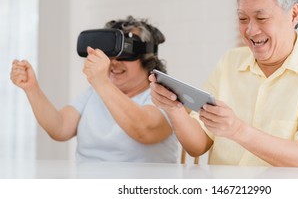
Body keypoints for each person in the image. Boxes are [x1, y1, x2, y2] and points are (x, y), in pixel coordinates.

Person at [149, 0, 298, 168]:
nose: (251, 30)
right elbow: (198, 146)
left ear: (294, 14)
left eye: (262, 18)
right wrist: (173, 108)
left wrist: (237, 130)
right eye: (243, 19)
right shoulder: (230, 62)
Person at [10, 16, 178, 163]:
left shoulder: (162, 96)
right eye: (110, 52)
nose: (114, 62)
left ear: (146, 58)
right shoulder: (94, 92)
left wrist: (102, 83)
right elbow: (60, 128)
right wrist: (32, 89)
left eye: (124, 54)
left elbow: (144, 130)